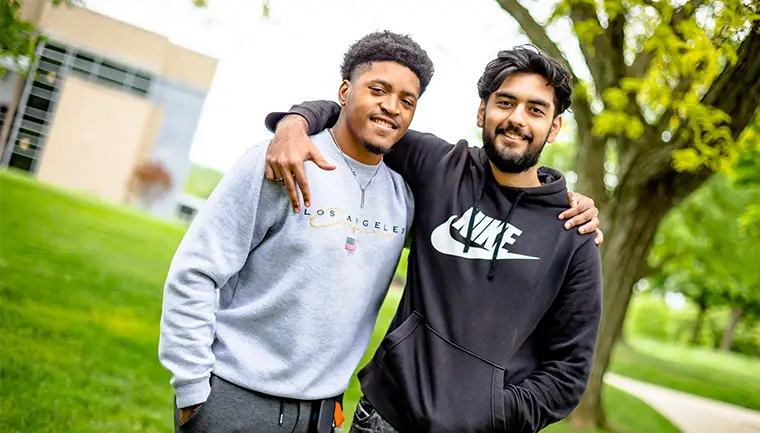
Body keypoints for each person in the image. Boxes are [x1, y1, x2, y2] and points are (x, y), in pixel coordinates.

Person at [263, 46, 603, 433]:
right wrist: (294, 123)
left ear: (554, 127)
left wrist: (488, 414)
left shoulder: (572, 233)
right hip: (383, 419)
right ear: (482, 111)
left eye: (535, 109)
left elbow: (569, 372)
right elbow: (359, 115)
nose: (516, 119)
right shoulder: (439, 166)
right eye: (505, 103)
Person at [158, 31, 436, 433]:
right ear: (345, 90)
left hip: (322, 415)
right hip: (233, 399)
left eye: (406, 101)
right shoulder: (281, 161)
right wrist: (192, 390)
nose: (391, 107)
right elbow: (196, 271)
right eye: (379, 89)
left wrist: (554, 195)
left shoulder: (404, 197)